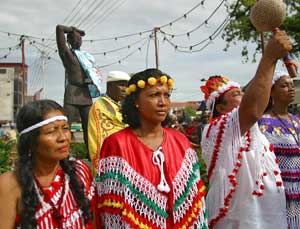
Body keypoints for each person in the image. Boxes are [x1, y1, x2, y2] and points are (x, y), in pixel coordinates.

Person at [95, 68, 208, 228]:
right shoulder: (116, 144)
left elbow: (196, 201)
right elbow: (110, 210)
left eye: (166, 95)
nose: (163, 102)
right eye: (154, 95)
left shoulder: (180, 140)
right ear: (136, 101)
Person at [200, 30, 291, 228]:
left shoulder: (252, 129)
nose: (243, 96)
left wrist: (272, 59)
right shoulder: (215, 129)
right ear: (221, 107)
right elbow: (252, 110)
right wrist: (269, 57)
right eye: (236, 94)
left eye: (242, 92)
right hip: (239, 220)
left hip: (269, 215)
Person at [0, 100, 95, 228]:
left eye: (66, 129)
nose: (63, 138)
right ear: (31, 140)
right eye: (51, 131)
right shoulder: (9, 184)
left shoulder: (80, 171)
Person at [258, 71, 300, 228]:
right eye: (284, 85)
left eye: (291, 85)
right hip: (279, 191)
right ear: (271, 92)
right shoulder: (263, 123)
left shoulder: (295, 120)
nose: (290, 89)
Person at [56, 25, 96, 153]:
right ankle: (63, 156)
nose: (78, 41)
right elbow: (59, 29)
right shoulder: (67, 54)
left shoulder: (85, 58)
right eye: (75, 38)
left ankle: (92, 155)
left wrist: (91, 80)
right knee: (65, 126)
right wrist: (73, 29)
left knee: (90, 128)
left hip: (85, 95)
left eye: (80, 39)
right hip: (72, 94)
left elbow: (92, 74)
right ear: (69, 41)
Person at [88, 70, 130, 172]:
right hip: (111, 163)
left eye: (127, 86)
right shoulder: (101, 105)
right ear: (110, 85)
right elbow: (105, 138)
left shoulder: (117, 105)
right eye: (121, 85)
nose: (125, 89)